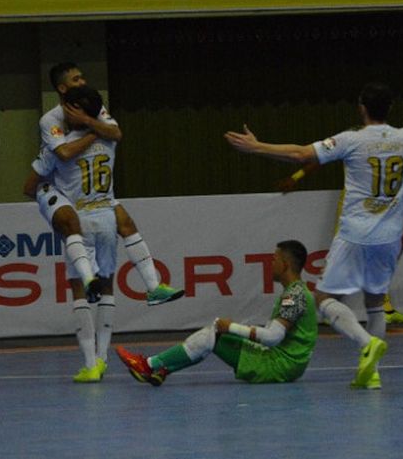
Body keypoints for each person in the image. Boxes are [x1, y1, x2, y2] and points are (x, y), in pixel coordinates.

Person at [225, 82, 403, 389]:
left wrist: (257, 146)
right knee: (374, 302)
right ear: (390, 109)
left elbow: (301, 155)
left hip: (355, 234)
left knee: (324, 299)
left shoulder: (349, 140)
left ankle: (366, 343)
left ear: (362, 108)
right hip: (389, 237)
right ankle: (372, 373)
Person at [23, 62, 183, 306]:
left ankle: (153, 288)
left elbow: (116, 134)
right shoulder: (50, 120)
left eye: (83, 77)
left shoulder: (91, 107)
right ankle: (88, 281)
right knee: (74, 227)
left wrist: (89, 121)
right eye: (76, 79)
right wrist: (95, 132)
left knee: (126, 222)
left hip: (95, 189)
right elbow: (63, 153)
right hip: (66, 188)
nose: (83, 82)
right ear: (62, 88)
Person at [116, 240, 317, 386]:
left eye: (274, 259)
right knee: (215, 334)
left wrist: (232, 327)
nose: (270, 264)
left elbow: (272, 337)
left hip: (278, 365)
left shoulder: (295, 295)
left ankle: (149, 365)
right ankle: (161, 368)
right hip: (285, 364)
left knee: (213, 334)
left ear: (286, 264)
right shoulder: (296, 291)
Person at [27, 86, 119, 382]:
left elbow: (30, 186)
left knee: (80, 294)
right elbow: (114, 132)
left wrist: (47, 195)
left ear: (71, 109)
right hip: (107, 220)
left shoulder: (59, 147)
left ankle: (91, 364)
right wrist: (95, 129)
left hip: (79, 222)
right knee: (108, 291)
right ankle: (104, 359)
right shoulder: (110, 136)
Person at [276, 161, 403, 325]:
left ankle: (386, 309)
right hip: (351, 212)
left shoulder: (383, 145)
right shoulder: (350, 142)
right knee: (340, 259)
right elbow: (318, 158)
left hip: (374, 210)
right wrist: (296, 177)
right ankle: (324, 308)